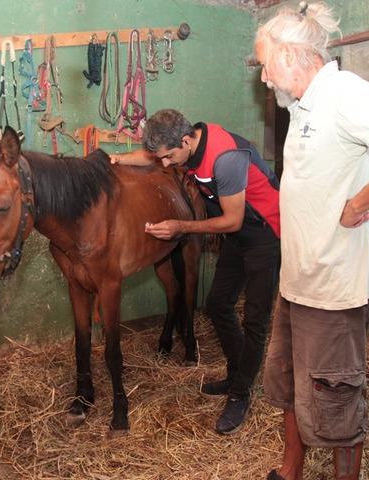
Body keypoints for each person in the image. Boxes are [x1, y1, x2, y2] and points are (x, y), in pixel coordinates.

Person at [253, 3, 369, 480]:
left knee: (334, 400)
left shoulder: (343, 93)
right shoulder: (302, 107)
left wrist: (360, 203)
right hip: (298, 282)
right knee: (289, 386)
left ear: (292, 55)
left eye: (266, 65)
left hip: (335, 288)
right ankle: (290, 470)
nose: (265, 78)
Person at [111, 109, 281, 435]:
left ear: (186, 141)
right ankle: (236, 374)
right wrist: (116, 160)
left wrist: (181, 227)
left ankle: (240, 394)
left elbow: (231, 219)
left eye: (169, 157)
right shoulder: (182, 145)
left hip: (264, 232)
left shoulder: (226, 158)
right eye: (161, 157)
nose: (164, 164)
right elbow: (148, 156)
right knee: (218, 304)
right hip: (237, 233)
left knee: (256, 320)